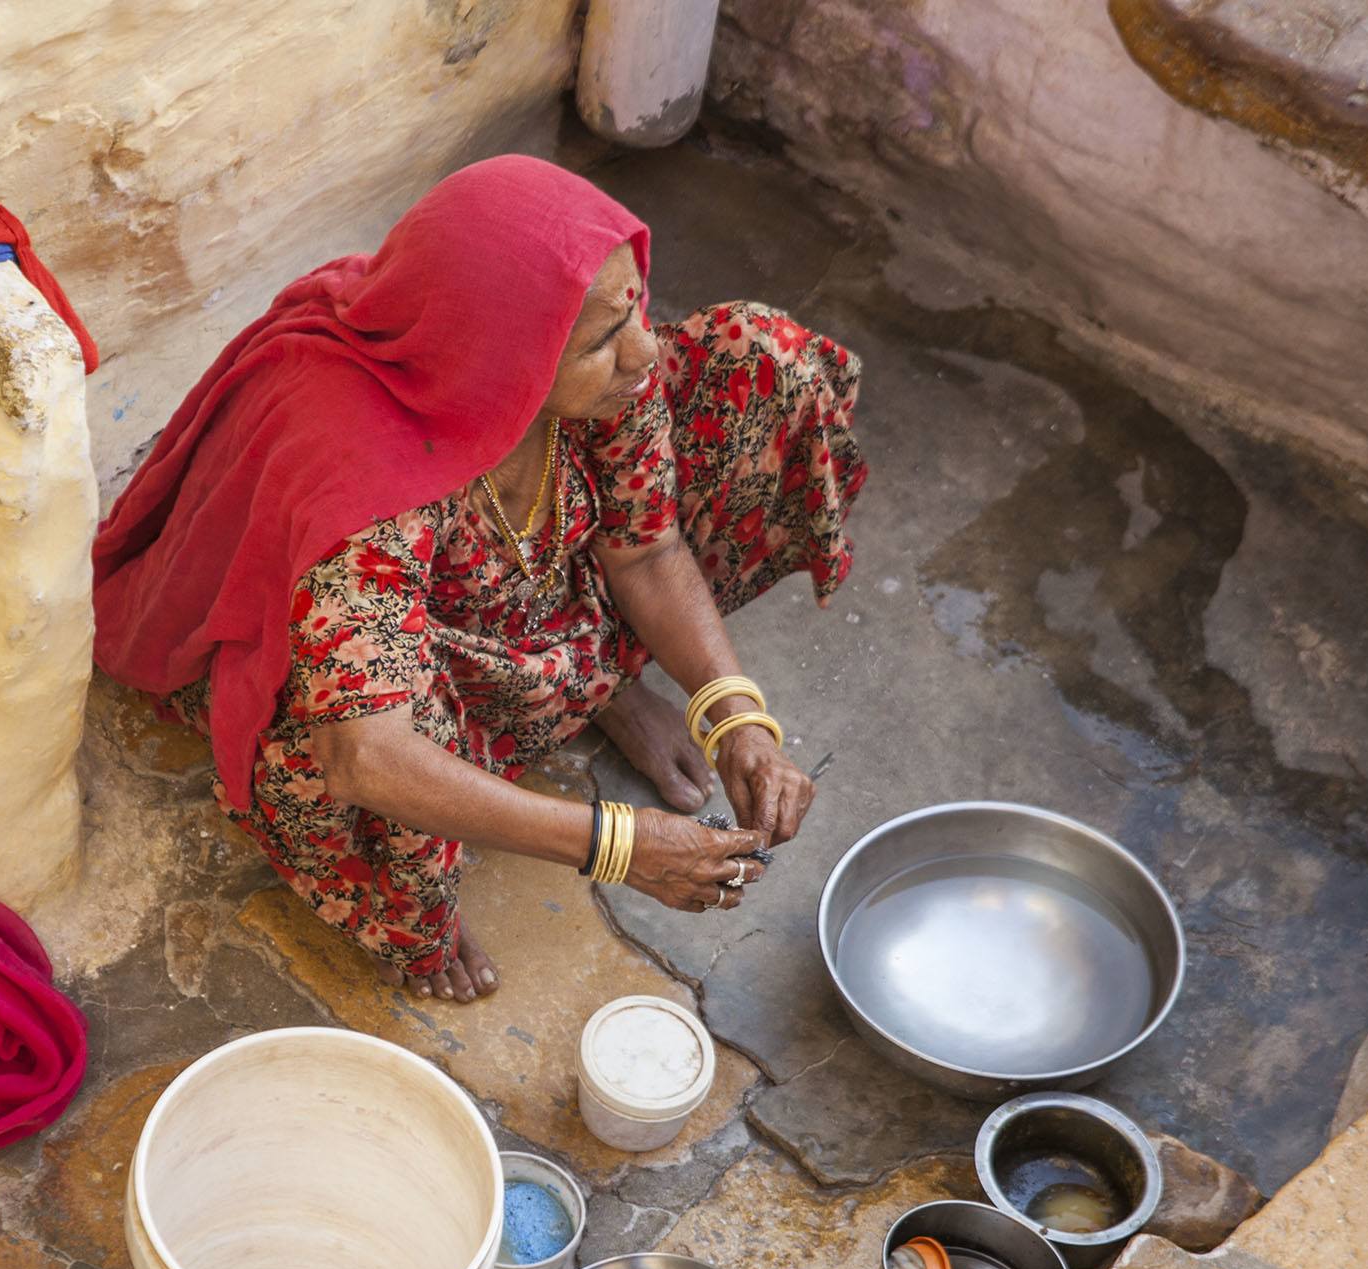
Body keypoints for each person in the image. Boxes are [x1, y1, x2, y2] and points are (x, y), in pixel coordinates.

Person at [91, 156, 866, 1002]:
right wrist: (612, 842)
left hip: (521, 603)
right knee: (343, 737)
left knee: (761, 362)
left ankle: (603, 690)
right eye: (605, 339)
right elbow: (364, 755)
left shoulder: (604, 374)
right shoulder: (366, 476)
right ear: (511, 358)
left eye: (633, 304)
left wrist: (735, 718)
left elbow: (644, 548)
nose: (643, 349)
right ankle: (416, 888)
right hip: (388, 677)